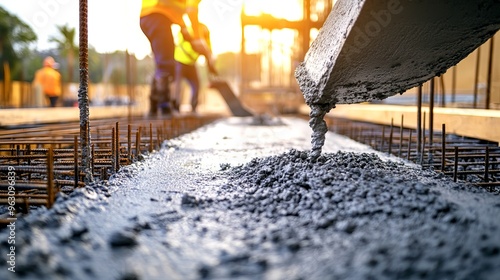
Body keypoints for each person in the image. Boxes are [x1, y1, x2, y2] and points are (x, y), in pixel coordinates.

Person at [140, 0, 212, 116]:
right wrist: (197, 38)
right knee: (166, 64)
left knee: (161, 64)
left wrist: (183, 28)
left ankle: (153, 108)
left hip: (148, 16)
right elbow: (192, 11)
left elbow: (176, 9)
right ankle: (164, 108)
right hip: (158, 15)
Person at [173, 23, 216, 113]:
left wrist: (211, 65)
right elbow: (189, 45)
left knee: (196, 85)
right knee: (177, 85)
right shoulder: (189, 31)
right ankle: (175, 107)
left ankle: (194, 107)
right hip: (180, 62)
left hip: (191, 64)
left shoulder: (205, 35)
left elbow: (208, 50)